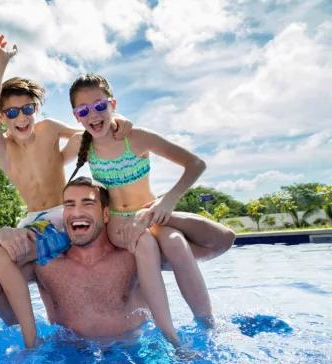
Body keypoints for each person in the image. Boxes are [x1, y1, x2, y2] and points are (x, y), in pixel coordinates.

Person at [0, 34, 132, 348]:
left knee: (3, 262)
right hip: (32, 221)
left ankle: (30, 341)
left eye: (27, 109)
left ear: (36, 109)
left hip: (59, 217)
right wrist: (1, 62)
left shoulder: (47, 129)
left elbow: (87, 132)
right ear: (2, 118)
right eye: (11, 113)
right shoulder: (3, 148)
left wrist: (119, 123)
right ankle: (22, 325)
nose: (21, 117)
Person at [67, 73, 235, 332]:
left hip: (152, 214)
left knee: (177, 243)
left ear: (113, 104)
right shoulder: (81, 143)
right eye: (83, 110)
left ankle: (207, 325)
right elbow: (48, 159)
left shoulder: (135, 137)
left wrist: (167, 202)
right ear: (76, 115)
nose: (93, 115)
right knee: (145, 243)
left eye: (100, 106)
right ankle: (169, 333)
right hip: (120, 225)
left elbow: (196, 164)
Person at [0, 177, 181, 346]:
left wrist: (161, 216)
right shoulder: (46, 264)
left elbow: (213, 244)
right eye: (69, 205)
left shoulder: (134, 253)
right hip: (70, 359)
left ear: (106, 214)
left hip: (135, 351)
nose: (77, 212)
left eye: (87, 203)